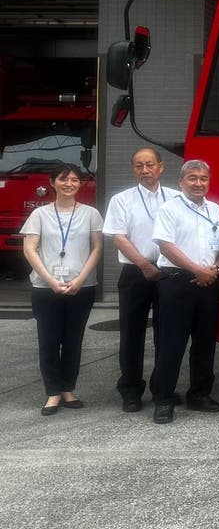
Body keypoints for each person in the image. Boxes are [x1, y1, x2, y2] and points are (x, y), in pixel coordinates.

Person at [21, 163, 103, 416]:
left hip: (82, 287)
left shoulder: (91, 213)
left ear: (80, 184)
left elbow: (97, 248)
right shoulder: (39, 214)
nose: (70, 183)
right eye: (64, 179)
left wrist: (80, 279)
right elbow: (29, 249)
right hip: (46, 288)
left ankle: (68, 389)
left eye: (75, 179)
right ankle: (53, 393)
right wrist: (50, 280)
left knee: (73, 340)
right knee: (48, 340)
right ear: (52, 182)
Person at [150, 159, 219, 424]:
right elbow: (165, 246)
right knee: (172, 343)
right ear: (181, 181)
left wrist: (214, 268)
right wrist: (197, 270)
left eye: (203, 178)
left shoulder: (216, 209)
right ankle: (163, 398)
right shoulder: (169, 208)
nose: (198, 183)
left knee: (205, 343)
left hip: (209, 281)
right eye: (192, 178)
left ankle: (200, 394)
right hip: (177, 282)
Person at [102, 147, 173, 413]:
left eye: (150, 165)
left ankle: (162, 388)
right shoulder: (122, 200)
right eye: (139, 166)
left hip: (168, 272)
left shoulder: (176, 198)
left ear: (161, 167)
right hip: (135, 273)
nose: (145, 170)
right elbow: (118, 236)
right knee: (131, 334)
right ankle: (131, 390)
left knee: (166, 334)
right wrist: (144, 265)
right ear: (133, 169)